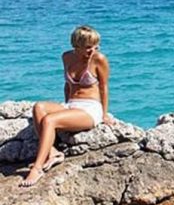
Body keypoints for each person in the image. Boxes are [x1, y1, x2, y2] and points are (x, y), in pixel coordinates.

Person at [21, 26, 113, 187]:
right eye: (88, 47)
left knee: (50, 120)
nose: (93, 50)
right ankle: (53, 153)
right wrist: (65, 109)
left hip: (90, 109)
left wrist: (104, 114)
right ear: (76, 46)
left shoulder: (99, 59)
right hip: (71, 105)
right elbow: (67, 85)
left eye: (96, 46)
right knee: (39, 107)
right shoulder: (66, 57)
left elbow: (104, 88)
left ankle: (37, 168)